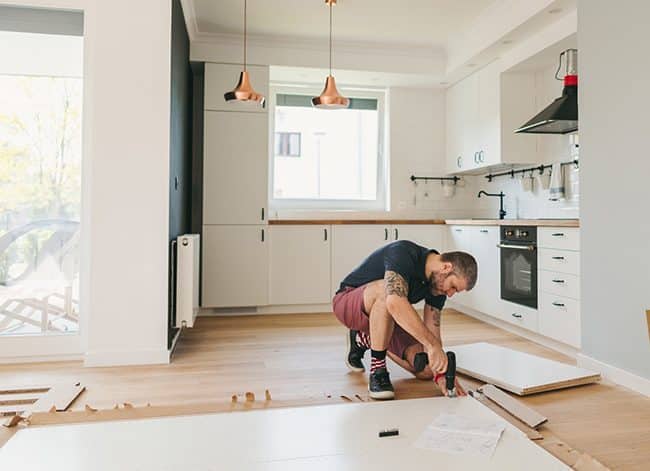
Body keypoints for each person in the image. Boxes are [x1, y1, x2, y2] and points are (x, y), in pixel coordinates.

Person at [332, 240, 477, 399]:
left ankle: (363, 339)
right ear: (446, 268)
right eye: (453, 287)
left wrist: (441, 373)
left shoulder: (437, 288)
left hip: (386, 318)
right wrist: (432, 345)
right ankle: (378, 371)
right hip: (349, 303)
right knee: (387, 291)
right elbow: (394, 302)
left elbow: (432, 332)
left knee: (425, 367)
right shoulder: (403, 252)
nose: (450, 294)